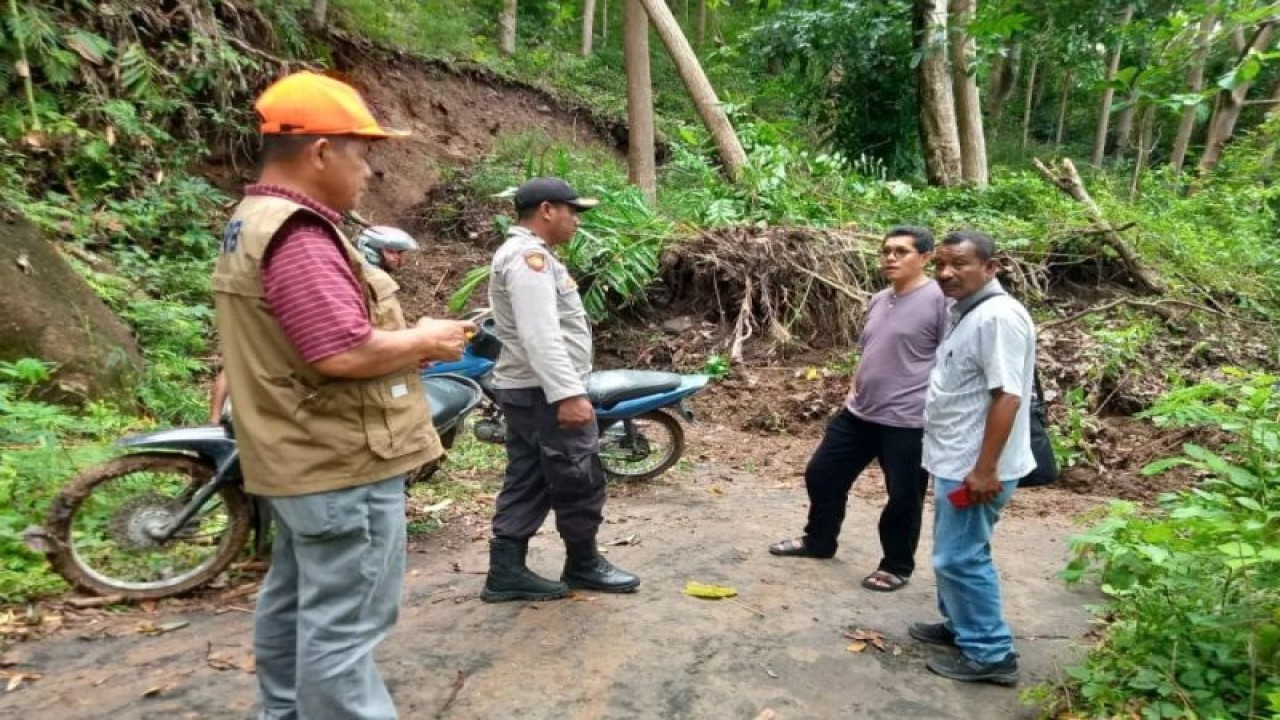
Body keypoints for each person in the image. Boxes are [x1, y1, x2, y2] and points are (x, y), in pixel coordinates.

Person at [212, 71, 474, 719]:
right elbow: (341, 351)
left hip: (296, 457)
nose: (370, 169)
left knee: (296, 599)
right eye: (361, 151)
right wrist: (426, 339)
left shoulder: (250, 220)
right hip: (340, 461)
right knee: (345, 627)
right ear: (321, 151)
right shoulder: (300, 234)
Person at [480, 176, 639, 602]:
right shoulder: (528, 258)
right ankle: (583, 563)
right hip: (544, 392)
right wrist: (569, 394)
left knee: (528, 475)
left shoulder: (527, 255)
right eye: (572, 211)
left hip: (531, 389)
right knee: (577, 473)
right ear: (547, 210)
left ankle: (506, 570)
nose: (576, 221)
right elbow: (540, 334)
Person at [768, 226, 949, 592]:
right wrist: (853, 390)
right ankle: (819, 541)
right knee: (821, 475)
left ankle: (896, 564)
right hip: (860, 414)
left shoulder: (940, 301)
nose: (890, 258)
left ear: (926, 258)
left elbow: (952, 360)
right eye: (886, 251)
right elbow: (869, 351)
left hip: (908, 422)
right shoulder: (881, 298)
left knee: (903, 496)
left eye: (901, 251)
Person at [909, 230, 1036, 686]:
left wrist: (985, 469)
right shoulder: (968, 311)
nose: (946, 273)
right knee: (955, 551)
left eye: (959, 264)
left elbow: (1007, 396)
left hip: (974, 466)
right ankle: (962, 627)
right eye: (940, 264)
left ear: (991, 267)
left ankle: (989, 653)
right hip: (954, 457)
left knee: (960, 558)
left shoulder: (997, 318)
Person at [207, 224, 420, 424]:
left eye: (400, 254)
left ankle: (214, 422)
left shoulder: (333, 272)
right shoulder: (356, 280)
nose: (398, 259)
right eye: (393, 252)